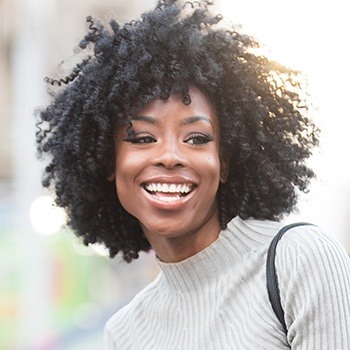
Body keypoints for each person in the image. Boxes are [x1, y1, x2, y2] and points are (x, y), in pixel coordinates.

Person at [36, 0, 350, 349]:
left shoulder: (299, 260)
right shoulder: (124, 333)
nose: (170, 156)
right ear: (108, 163)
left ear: (225, 162)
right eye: (142, 138)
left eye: (196, 138)